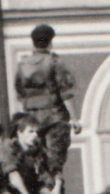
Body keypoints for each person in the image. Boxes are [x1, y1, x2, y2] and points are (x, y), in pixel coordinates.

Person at [13, 24, 78, 178]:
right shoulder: (55, 62)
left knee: (38, 160)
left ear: (33, 43)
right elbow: (66, 93)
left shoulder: (22, 64)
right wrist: (75, 119)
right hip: (55, 119)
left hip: (33, 120)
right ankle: (56, 192)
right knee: (55, 162)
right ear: (50, 42)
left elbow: (19, 92)